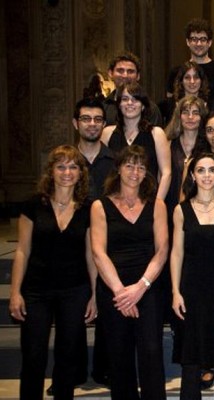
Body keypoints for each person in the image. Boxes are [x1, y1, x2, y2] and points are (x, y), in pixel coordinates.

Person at [9, 145, 97, 400]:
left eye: (72, 167)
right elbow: (22, 251)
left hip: (75, 289)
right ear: (51, 171)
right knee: (33, 353)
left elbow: (90, 254)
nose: (67, 172)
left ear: (81, 173)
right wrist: (15, 292)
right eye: (61, 166)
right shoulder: (33, 205)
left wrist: (93, 293)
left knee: (68, 354)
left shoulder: (88, 208)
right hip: (37, 289)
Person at [90, 145, 169, 400]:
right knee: (119, 356)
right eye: (129, 165)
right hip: (114, 291)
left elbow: (162, 250)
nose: (135, 171)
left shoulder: (157, 205)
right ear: (118, 169)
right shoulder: (100, 206)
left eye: (141, 166)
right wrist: (121, 292)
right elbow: (98, 253)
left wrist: (140, 287)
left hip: (148, 288)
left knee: (151, 352)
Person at [170, 152, 214, 400]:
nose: (207, 175)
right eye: (201, 170)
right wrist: (175, 292)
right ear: (192, 175)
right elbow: (176, 253)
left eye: (212, 170)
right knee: (190, 358)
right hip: (191, 290)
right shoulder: (180, 210)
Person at [73, 96, 115, 388]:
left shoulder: (114, 160)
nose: (91, 124)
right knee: (73, 311)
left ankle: (104, 369)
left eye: (97, 119)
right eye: (86, 119)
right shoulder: (65, 160)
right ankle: (71, 373)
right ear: (76, 123)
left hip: (107, 243)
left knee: (107, 307)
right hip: (72, 242)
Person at [102, 81, 172, 201]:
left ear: (143, 105)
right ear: (119, 104)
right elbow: (103, 171)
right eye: (125, 99)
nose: (130, 103)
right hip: (115, 202)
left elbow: (166, 173)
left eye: (135, 99)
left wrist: (157, 205)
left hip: (148, 201)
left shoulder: (156, 133)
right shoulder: (107, 133)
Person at [165, 18, 214, 104]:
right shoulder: (176, 72)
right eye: (194, 39)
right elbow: (170, 104)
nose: (198, 44)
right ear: (188, 42)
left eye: (203, 39)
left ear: (210, 42)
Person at [104, 51, 163, 127]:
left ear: (138, 76)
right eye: (120, 71)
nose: (125, 75)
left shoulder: (151, 109)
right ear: (110, 73)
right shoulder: (103, 107)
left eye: (130, 71)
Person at [159, 61, 209, 126]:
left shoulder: (211, 105)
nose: (192, 81)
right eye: (187, 78)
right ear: (181, 81)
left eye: (196, 77)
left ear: (201, 81)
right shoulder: (168, 105)